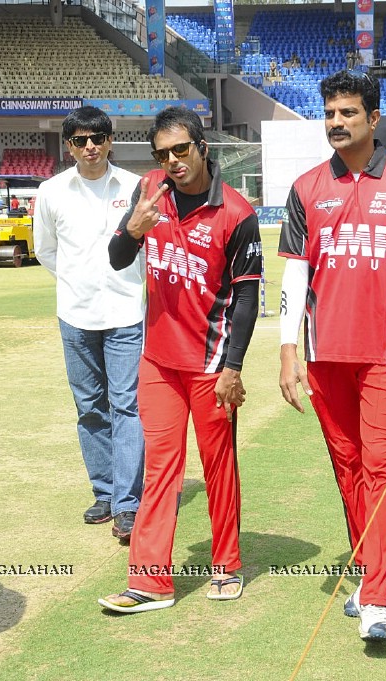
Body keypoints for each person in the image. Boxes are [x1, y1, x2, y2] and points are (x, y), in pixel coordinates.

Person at [278, 70, 386, 642]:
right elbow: (294, 274)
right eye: (329, 113)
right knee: (348, 468)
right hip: (324, 355)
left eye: (347, 113)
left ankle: (375, 600)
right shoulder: (305, 188)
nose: (335, 123)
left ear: (373, 119)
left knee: (379, 466)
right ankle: (383, 570)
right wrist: (287, 351)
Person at [98, 106, 262, 613]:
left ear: (203, 148)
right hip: (159, 362)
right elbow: (117, 257)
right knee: (160, 470)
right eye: (163, 153)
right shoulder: (149, 190)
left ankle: (227, 565)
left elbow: (248, 299)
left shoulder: (236, 213)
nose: (172, 161)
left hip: (211, 365)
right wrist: (134, 229)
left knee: (218, 467)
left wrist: (233, 367)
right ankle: (150, 583)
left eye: (181, 150)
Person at [34, 106, 145, 542]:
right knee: (89, 407)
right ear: (68, 147)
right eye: (80, 141)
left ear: (110, 140)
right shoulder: (51, 191)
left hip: (125, 313)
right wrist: (78, 282)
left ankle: (128, 503)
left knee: (128, 406)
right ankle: (104, 492)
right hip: (76, 314)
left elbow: (148, 247)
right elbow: (46, 250)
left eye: (97, 138)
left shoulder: (136, 186)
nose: (90, 147)